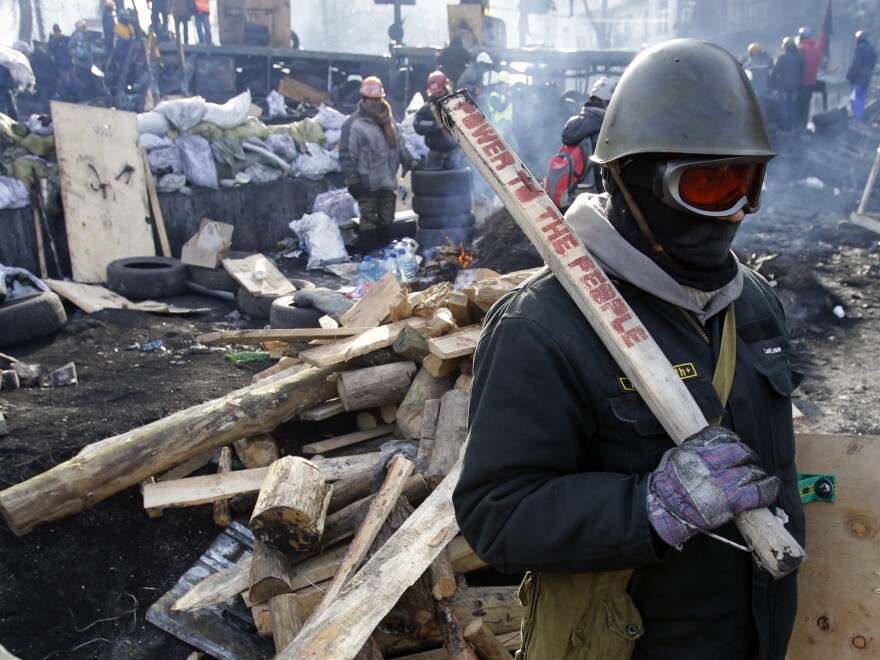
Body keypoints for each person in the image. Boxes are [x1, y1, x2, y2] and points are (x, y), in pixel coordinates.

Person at [453, 38, 805, 660]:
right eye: (709, 185)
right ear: (630, 178)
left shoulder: (752, 302)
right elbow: (496, 515)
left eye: (747, 184)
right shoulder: (544, 327)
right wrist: (646, 508)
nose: (734, 214)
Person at [345, 76, 416, 254]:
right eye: (371, 100)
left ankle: (383, 253)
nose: (375, 104)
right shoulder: (354, 124)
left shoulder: (389, 121)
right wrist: (352, 180)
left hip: (387, 180)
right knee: (369, 219)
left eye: (378, 99)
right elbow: (347, 155)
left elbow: (400, 145)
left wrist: (411, 162)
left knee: (387, 218)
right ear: (364, 99)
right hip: (367, 182)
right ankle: (369, 254)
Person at [558, 75, 615, 195]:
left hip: (571, 191)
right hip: (594, 193)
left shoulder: (574, 122)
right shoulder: (604, 127)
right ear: (608, 102)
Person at [413, 70, 464, 171]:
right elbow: (418, 125)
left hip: (456, 153)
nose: (437, 95)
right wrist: (435, 125)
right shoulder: (426, 109)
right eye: (435, 93)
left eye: (439, 92)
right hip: (435, 153)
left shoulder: (457, 105)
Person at [770, 37, 804, 134]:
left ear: (786, 47)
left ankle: (784, 128)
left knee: (784, 107)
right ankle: (793, 128)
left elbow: (775, 72)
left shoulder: (782, 58)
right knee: (793, 107)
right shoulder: (800, 57)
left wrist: (774, 83)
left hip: (783, 86)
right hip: (796, 86)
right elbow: (802, 71)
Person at [846, 30, 877, 122]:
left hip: (857, 80)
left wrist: (849, 75)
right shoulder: (872, 49)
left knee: (854, 99)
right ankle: (859, 118)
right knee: (862, 100)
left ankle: (857, 119)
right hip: (867, 79)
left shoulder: (859, 48)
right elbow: (873, 64)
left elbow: (856, 63)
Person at [796, 26, 823, 129]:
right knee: (806, 105)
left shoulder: (801, 48)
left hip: (801, 82)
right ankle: (803, 126)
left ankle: (797, 127)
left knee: (798, 106)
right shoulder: (816, 50)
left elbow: (797, 65)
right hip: (811, 83)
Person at [743, 42, 774, 123]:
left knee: (753, 110)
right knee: (763, 109)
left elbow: (747, 79)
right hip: (764, 89)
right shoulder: (766, 63)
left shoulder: (750, 65)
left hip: (754, 91)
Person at [487, 70, 516, 151]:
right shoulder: (494, 96)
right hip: (498, 125)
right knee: (497, 149)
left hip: (507, 126)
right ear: (501, 83)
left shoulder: (505, 95)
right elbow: (500, 108)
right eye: (506, 84)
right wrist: (509, 97)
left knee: (514, 149)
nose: (508, 86)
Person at [68, 19, 95, 101]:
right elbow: (70, 47)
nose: (84, 27)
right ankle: (84, 98)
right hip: (80, 64)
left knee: (91, 82)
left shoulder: (87, 36)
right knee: (85, 82)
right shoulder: (77, 36)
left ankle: (91, 97)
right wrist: (77, 53)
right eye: (82, 26)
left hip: (89, 64)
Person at [28, 40, 57, 113]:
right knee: (45, 97)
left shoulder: (34, 56)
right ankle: (46, 112)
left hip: (43, 79)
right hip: (45, 80)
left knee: (44, 97)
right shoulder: (44, 55)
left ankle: (46, 111)